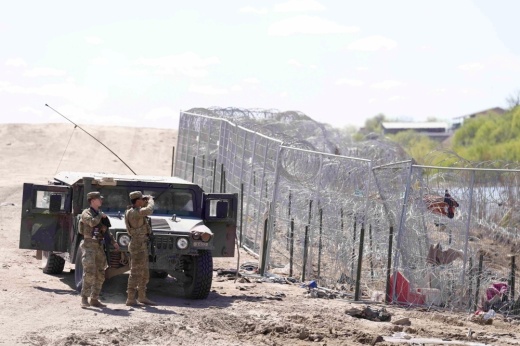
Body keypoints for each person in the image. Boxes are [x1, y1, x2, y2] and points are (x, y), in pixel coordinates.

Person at [79, 191, 119, 308]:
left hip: (99, 246)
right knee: (89, 272)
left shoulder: (100, 214)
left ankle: (95, 298)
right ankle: (84, 298)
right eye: (98, 199)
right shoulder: (86, 213)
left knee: (101, 273)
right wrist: (100, 216)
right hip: (89, 246)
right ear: (92, 201)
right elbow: (92, 223)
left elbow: (105, 230)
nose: (101, 200)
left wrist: (113, 242)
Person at [125, 191, 156, 306]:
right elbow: (149, 210)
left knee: (144, 273)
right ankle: (130, 298)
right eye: (142, 199)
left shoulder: (137, 212)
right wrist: (151, 200)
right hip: (137, 245)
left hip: (142, 245)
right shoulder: (134, 212)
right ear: (137, 201)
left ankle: (142, 297)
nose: (144, 201)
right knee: (135, 272)